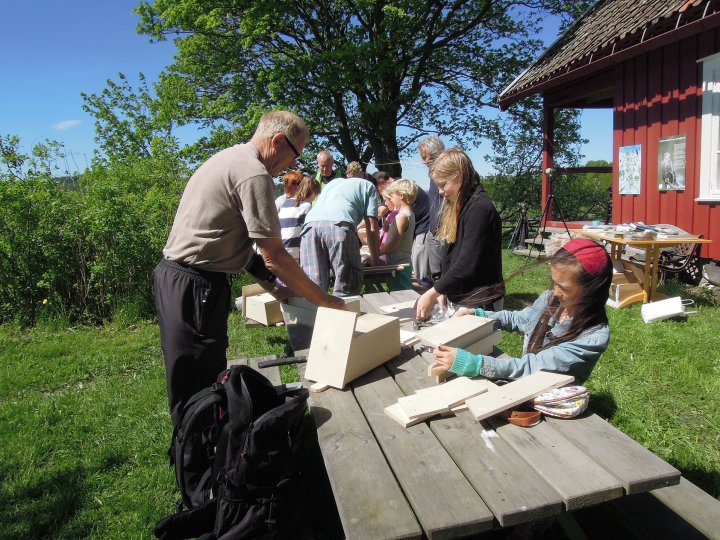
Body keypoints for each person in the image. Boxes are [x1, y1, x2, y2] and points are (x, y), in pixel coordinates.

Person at [154, 110, 344, 426]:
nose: (290, 167)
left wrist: (275, 289)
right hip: (195, 284)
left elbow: (238, 246)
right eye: (294, 157)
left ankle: (212, 455)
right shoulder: (254, 174)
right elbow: (277, 258)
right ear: (279, 141)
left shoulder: (230, 159)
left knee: (201, 381)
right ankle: (205, 465)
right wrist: (327, 303)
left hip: (184, 281)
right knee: (197, 391)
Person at [429, 238, 612, 385]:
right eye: (553, 282)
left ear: (591, 290)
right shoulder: (552, 299)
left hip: (548, 397)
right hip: (525, 384)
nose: (555, 292)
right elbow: (521, 319)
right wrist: (483, 316)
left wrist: (475, 364)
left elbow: (533, 367)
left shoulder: (592, 337)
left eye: (563, 287)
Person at [415, 148, 504, 320]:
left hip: (478, 298)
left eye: (443, 184)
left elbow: (467, 263)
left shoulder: (479, 208)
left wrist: (433, 292)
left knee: (476, 346)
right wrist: (443, 288)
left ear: (459, 177)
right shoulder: (463, 205)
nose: (440, 191)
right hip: (463, 295)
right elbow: (451, 256)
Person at [300, 173, 381, 296]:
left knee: (314, 287)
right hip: (339, 226)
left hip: (309, 227)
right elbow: (372, 226)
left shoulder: (334, 183)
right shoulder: (369, 186)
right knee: (346, 285)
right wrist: (375, 261)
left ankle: (314, 313)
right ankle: (345, 313)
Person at [413, 136, 445, 287]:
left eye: (425, 157)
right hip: (434, 231)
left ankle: (443, 301)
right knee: (436, 274)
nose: (423, 162)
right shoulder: (433, 175)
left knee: (443, 274)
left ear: (434, 155)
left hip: (444, 232)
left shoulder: (444, 172)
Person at [377, 179, 418, 290]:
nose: (391, 198)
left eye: (392, 195)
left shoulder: (401, 216)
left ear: (401, 196)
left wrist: (376, 254)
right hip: (403, 262)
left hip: (398, 266)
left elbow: (394, 245)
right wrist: (391, 229)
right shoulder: (410, 214)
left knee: (401, 295)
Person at [278, 175, 321, 262]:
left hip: (280, 247)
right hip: (293, 250)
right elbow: (309, 233)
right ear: (313, 193)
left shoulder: (287, 202)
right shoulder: (306, 206)